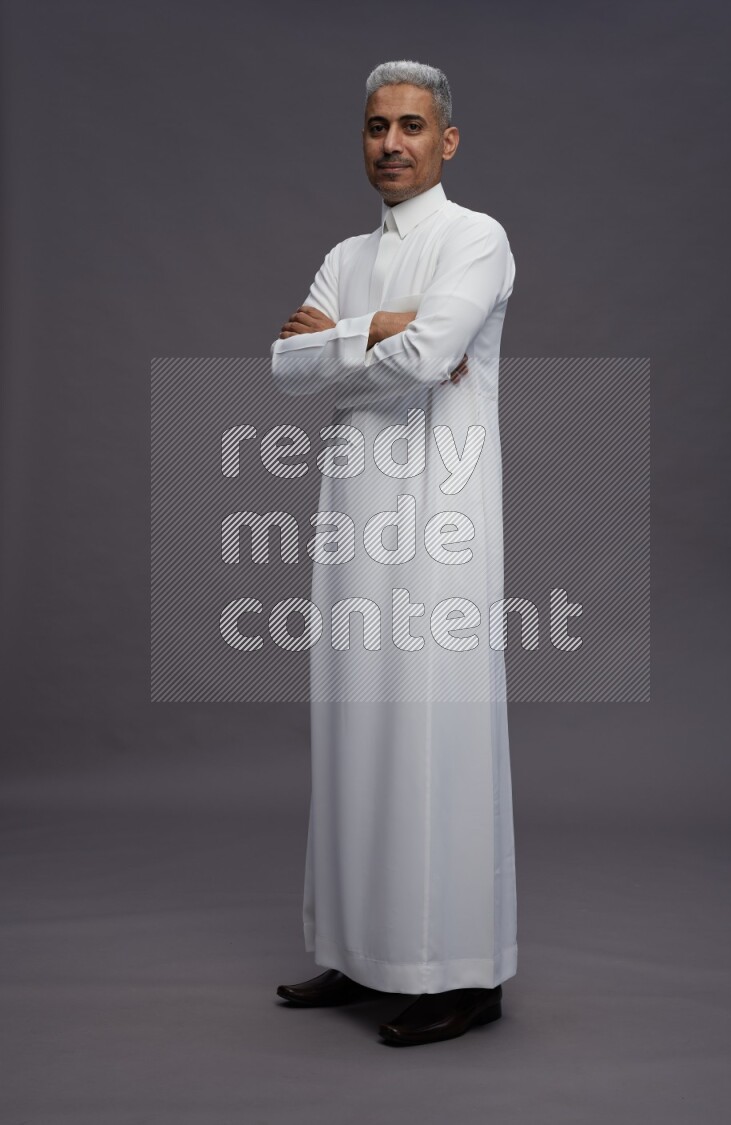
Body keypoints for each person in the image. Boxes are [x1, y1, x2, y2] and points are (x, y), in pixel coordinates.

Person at [270, 60, 517, 1046]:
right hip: (352, 522)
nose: (390, 143)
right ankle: (359, 948)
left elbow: (427, 358)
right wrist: (379, 328)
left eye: (411, 125)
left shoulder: (477, 239)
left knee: (434, 736)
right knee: (352, 729)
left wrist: (346, 342)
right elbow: (285, 366)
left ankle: (458, 973)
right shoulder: (345, 252)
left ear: (446, 140)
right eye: (375, 127)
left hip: (439, 528)